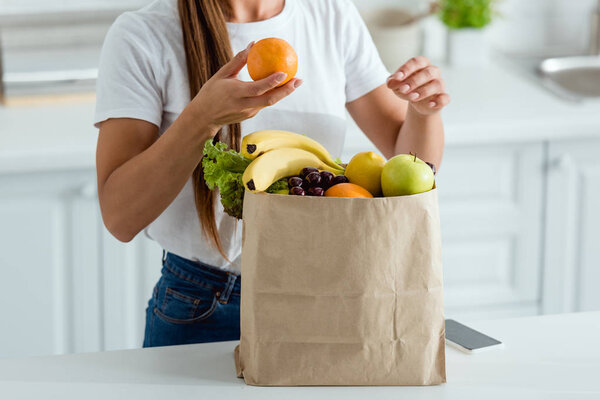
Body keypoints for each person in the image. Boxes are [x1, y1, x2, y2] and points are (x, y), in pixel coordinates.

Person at [94, 0, 449, 348]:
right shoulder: (143, 34)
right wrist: (202, 118)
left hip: (325, 291)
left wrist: (422, 112)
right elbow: (120, 218)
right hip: (206, 304)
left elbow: (413, 169)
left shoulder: (330, 13)